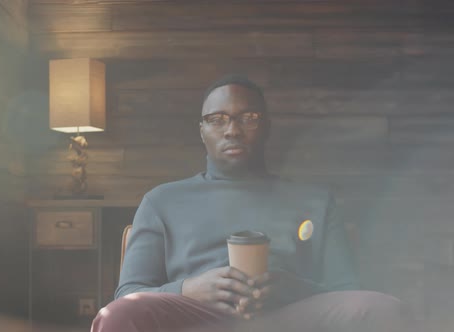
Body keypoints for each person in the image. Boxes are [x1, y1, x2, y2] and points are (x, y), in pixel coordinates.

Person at [92, 75, 409, 332]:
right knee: (117, 316)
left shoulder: (315, 200)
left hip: (286, 317)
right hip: (192, 317)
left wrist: (290, 288)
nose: (232, 130)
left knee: (381, 309)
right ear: (202, 131)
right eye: (217, 119)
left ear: (266, 127)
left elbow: (347, 290)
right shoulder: (162, 200)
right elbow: (128, 293)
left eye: (248, 117)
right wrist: (188, 289)